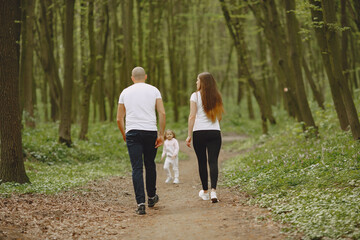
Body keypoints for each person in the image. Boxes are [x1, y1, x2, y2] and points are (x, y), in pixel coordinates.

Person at [117, 66, 166, 215]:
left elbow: (119, 118)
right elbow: (162, 113)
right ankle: (151, 197)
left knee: (136, 168)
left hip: (132, 132)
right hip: (150, 131)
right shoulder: (154, 90)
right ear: (145, 77)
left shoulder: (125, 92)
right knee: (150, 164)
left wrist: (125, 133)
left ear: (132, 78)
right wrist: (161, 134)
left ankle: (141, 204)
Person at [186, 72, 224, 203]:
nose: (196, 82)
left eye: (198, 80)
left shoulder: (195, 96)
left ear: (202, 82)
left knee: (202, 162)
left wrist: (189, 135)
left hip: (199, 132)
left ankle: (205, 192)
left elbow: (192, 116)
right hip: (214, 132)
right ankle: (214, 191)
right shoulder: (217, 96)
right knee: (213, 161)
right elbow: (219, 117)